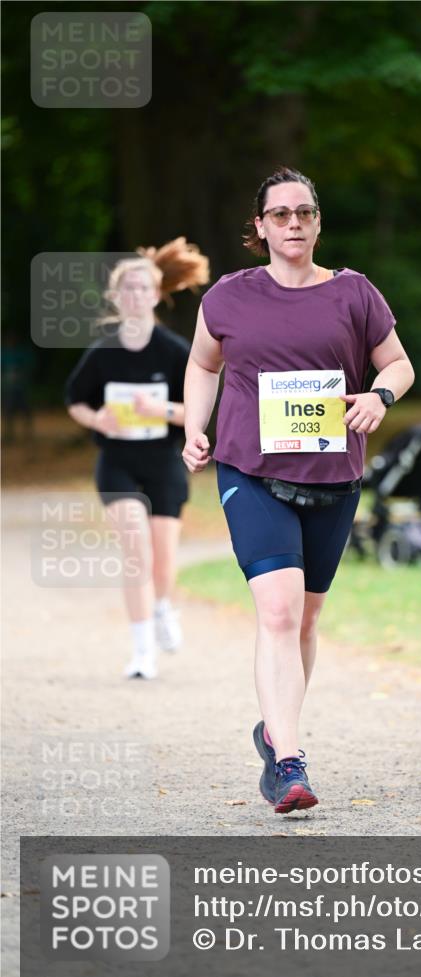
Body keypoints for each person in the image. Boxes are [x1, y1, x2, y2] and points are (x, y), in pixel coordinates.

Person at [182, 167, 414, 813]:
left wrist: (378, 394)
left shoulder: (353, 293)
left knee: (306, 617)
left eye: (303, 213)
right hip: (250, 472)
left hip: (332, 477)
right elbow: (204, 364)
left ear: (317, 222)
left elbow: (397, 361)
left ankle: (271, 725)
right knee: (278, 612)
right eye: (279, 214)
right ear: (259, 226)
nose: (292, 224)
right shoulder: (228, 298)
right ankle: (287, 761)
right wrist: (192, 429)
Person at [65, 238, 209, 680]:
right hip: (118, 462)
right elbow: (74, 400)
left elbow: (198, 410)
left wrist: (161, 411)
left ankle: (164, 607)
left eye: (141, 288)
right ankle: (142, 651)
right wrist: (99, 419)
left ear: (155, 293)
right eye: (125, 288)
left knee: (162, 561)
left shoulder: (173, 350)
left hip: (163, 460)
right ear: (116, 297)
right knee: (135, 552)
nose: (133, 295)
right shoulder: (103, 350)